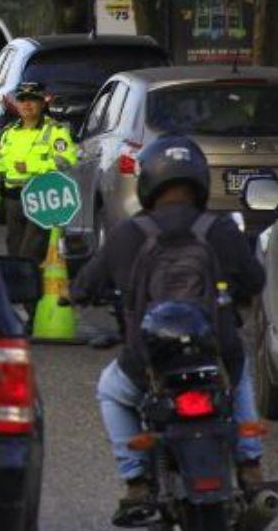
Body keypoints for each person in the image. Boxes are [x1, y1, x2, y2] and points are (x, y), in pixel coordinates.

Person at [69, 136, 266, 526]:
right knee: (238, 372)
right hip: (216, 358)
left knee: (111, 390)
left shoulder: (129, 233)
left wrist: (84, 295)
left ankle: (137, 481)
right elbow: (255, 280)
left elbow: (82, 288)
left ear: (149, 181)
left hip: (149, 363)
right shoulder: (221, 228)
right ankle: (251, 468)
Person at [0, 81, 78, 260]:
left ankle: (33, 285)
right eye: (22, 100)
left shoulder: (55, 131)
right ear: (16, 104)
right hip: (13, 202)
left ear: (43, 103)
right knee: (15, 255)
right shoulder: (9, 133)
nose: (27, 104)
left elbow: (67, 162)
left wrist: (32, 168)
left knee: (30, 254)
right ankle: (23, 287)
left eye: (33, 100)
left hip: (41, 200)